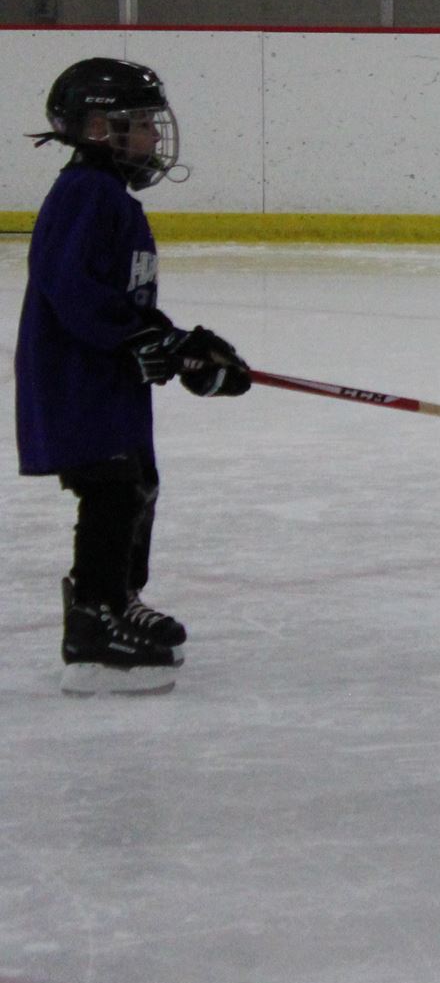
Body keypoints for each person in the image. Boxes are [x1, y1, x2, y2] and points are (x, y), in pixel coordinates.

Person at [16, 57, 250, 695]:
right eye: (140, 123)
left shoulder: (109, 196)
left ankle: (118, 597)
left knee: (135, 481)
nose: (152, 135)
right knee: (112, 489)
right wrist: (136, 337)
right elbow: (69, 286)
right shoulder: (86, 193)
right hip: (78, 376)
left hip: (108, 375)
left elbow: (122, 295)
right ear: (98, 128)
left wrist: (180, 345)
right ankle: (92, 625)